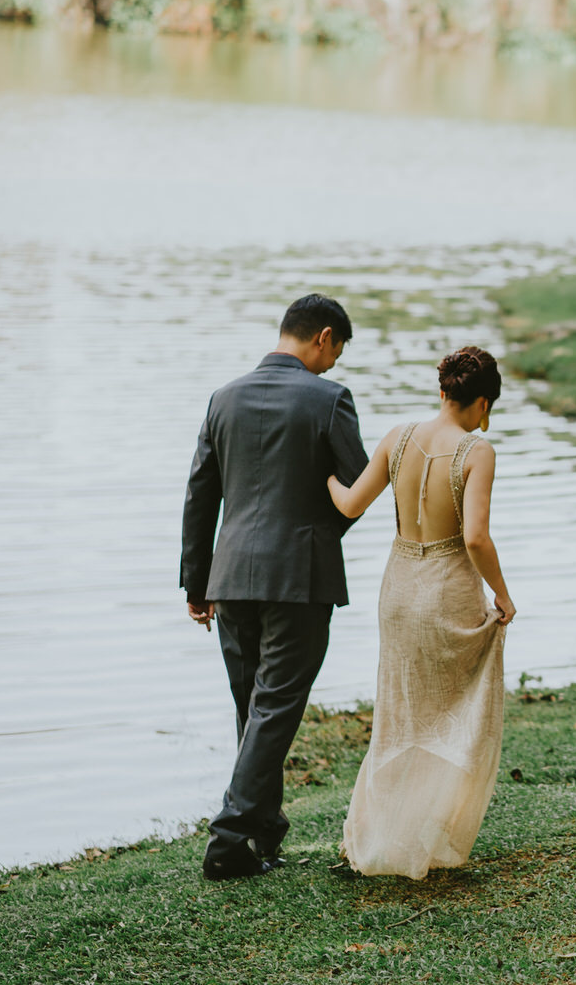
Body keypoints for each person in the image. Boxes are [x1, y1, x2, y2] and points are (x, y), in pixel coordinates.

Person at [181, 293, 368, 881]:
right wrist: (316, 532)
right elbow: (357, 487)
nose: (335, 363)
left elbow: (200, 494)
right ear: (324, 337)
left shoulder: (224, 397)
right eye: (337, 350)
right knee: (275, 707)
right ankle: (228, 838)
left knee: (253, 707)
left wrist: (196, 582)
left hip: (230, 576)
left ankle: (262, 832)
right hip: (298, 578)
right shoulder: (329, 399)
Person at [327, 346, 515, 879]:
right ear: (481, 401)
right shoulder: (477, 451)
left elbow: (349, 504)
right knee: (457, 714)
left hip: (399, 589)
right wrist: (502, 594)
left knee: (397, 715)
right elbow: (475, 538)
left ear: (441, 392)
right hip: (448, 589)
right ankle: (428, 835)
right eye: (487, 407)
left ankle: (367, 840)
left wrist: (326, 475)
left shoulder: (398, 437)